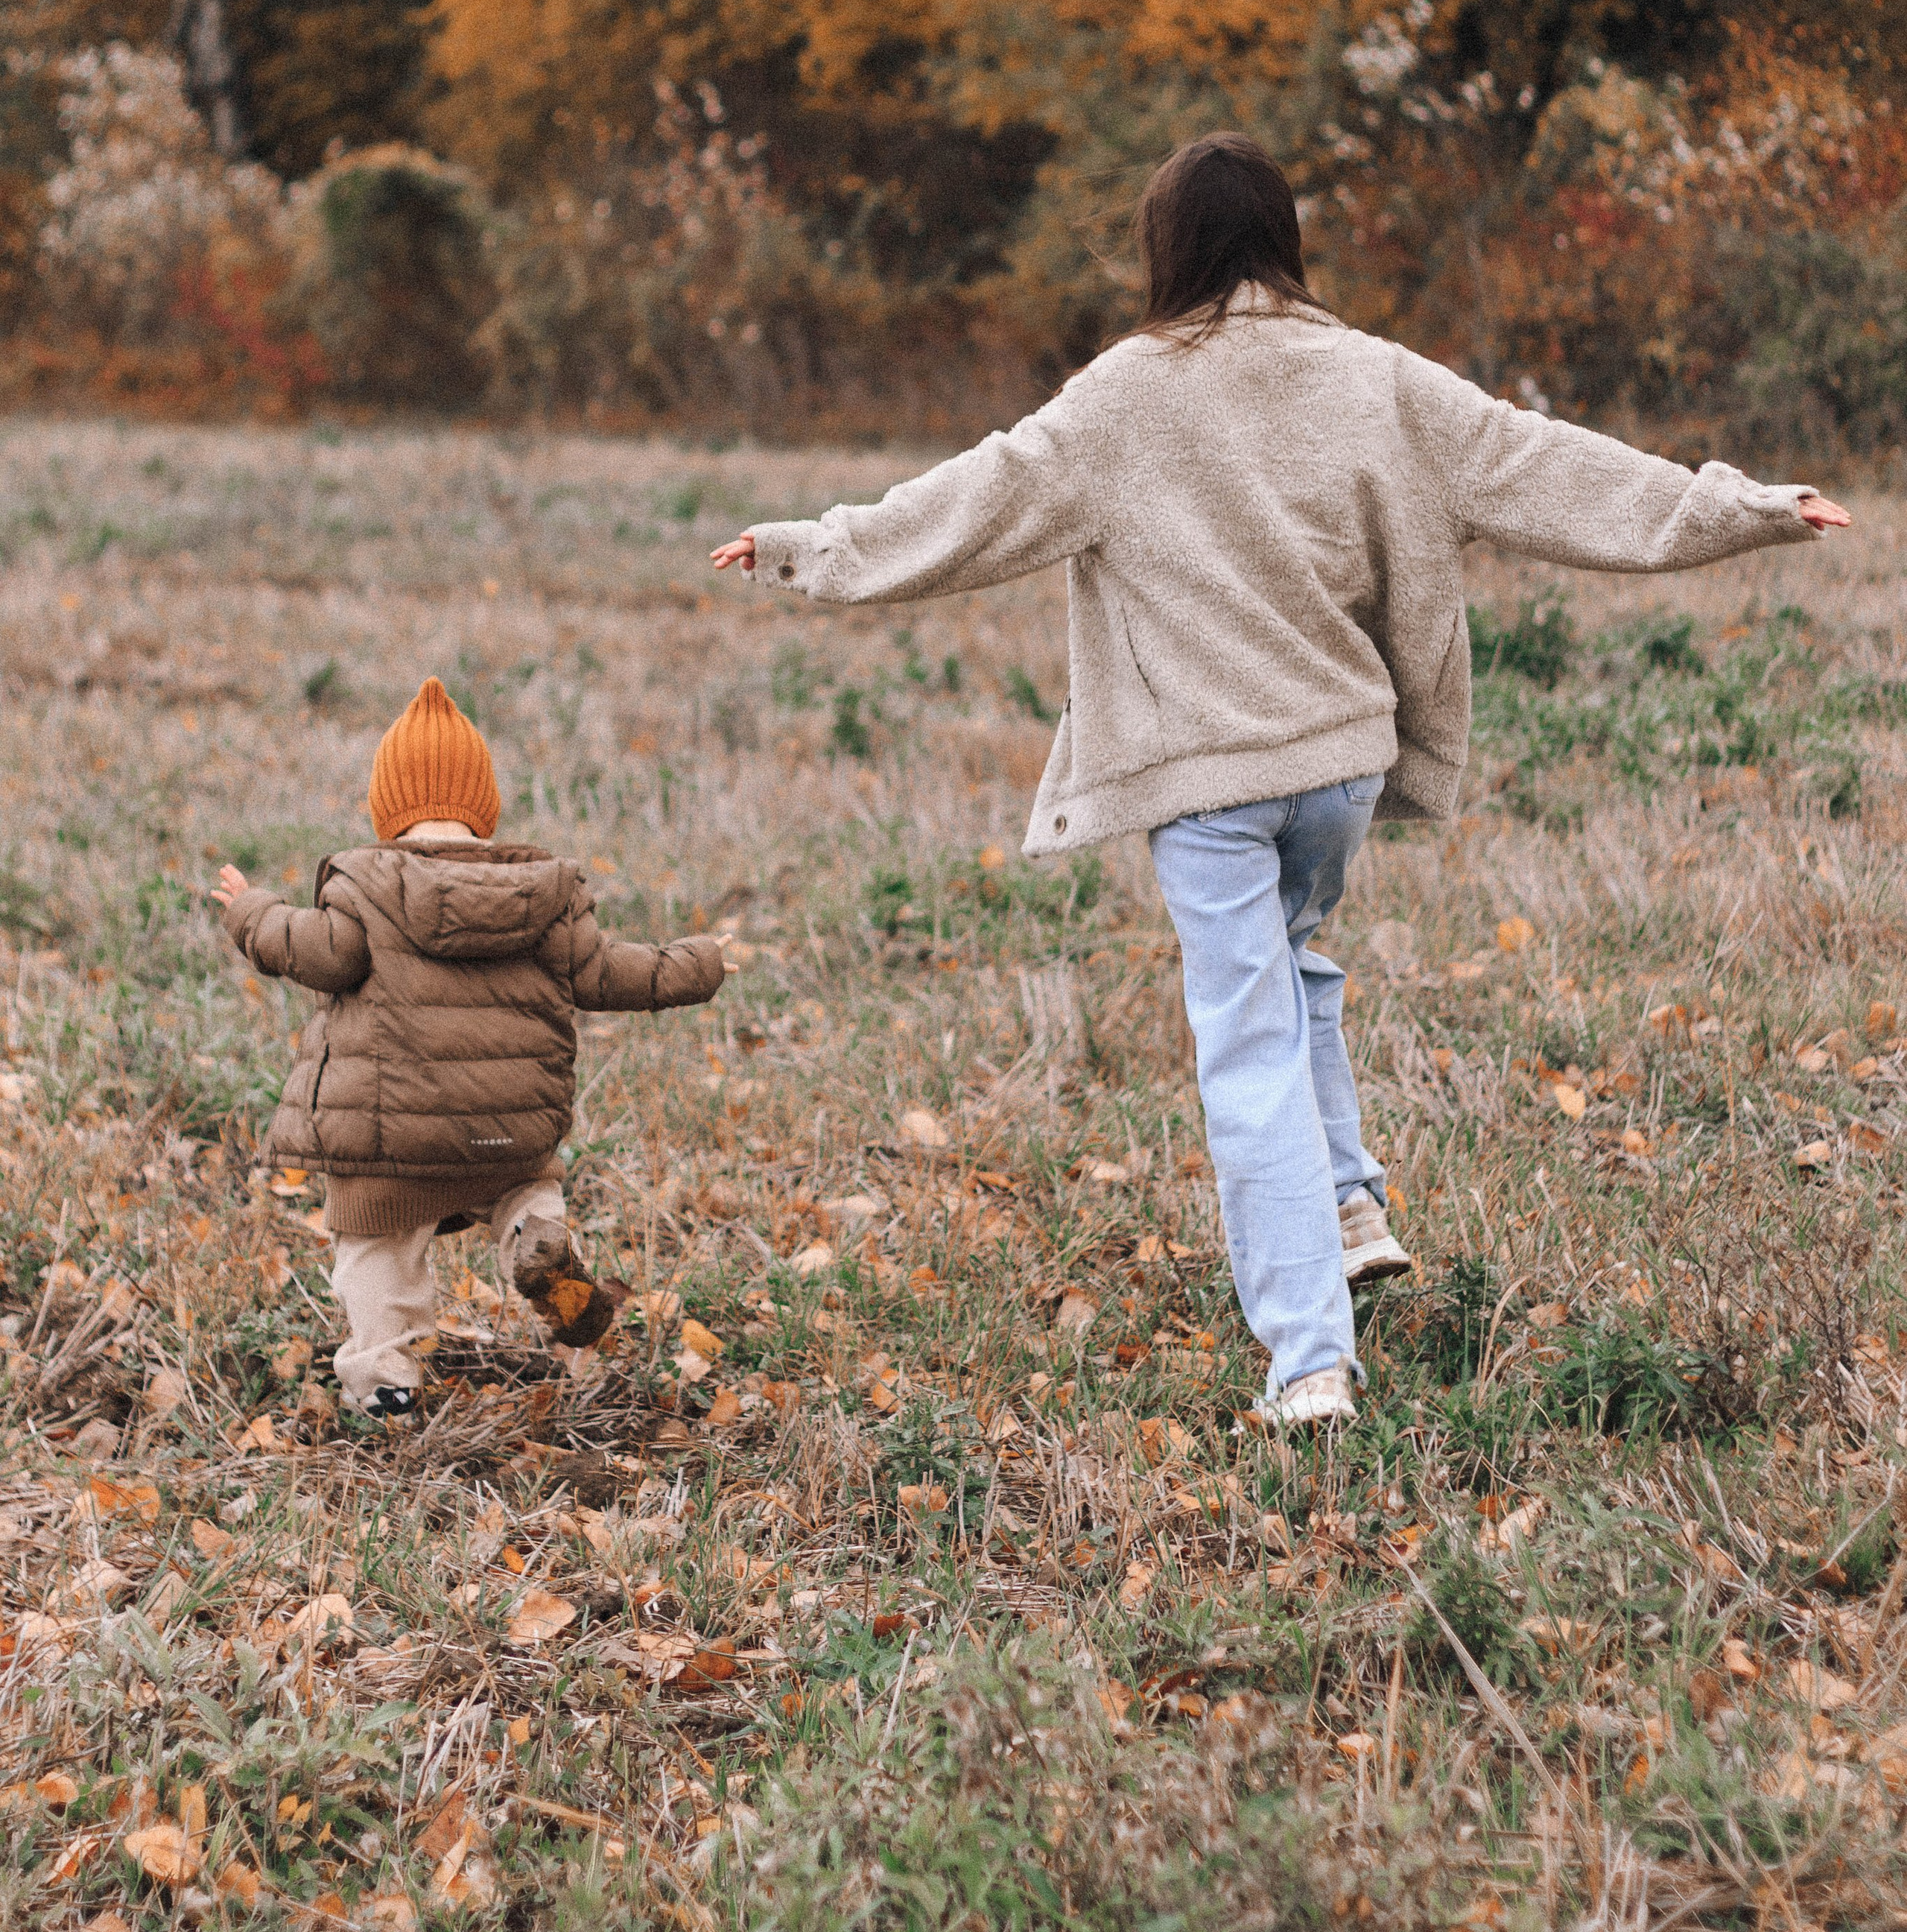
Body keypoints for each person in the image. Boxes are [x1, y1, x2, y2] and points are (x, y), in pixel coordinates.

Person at [711, 133, 1849, 1428]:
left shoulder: (1122, 397)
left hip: (1206, 780)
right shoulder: (1377, 379)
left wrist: (813, 549)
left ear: (1165, 247)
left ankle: (1311, 1362)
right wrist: (1742, 505)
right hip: (1339, 773)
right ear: (1284, 241)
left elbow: (975, 502)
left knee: (1244, 1044)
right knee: (1296, 958)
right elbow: (1547, 466)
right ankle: (1351, 1200)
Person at [212, 675, 726, 1419]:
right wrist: (698, 963)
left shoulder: (364, 889)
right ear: (483, 810)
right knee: (523, 1185)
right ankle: (531, 1232)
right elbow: (614, 971)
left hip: (393, 1141)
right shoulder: (541, 896)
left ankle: (386, 1381)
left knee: (377, 1254)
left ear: (388, 811)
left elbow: (311, 951)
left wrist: (252, 911)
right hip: (508, 1132)